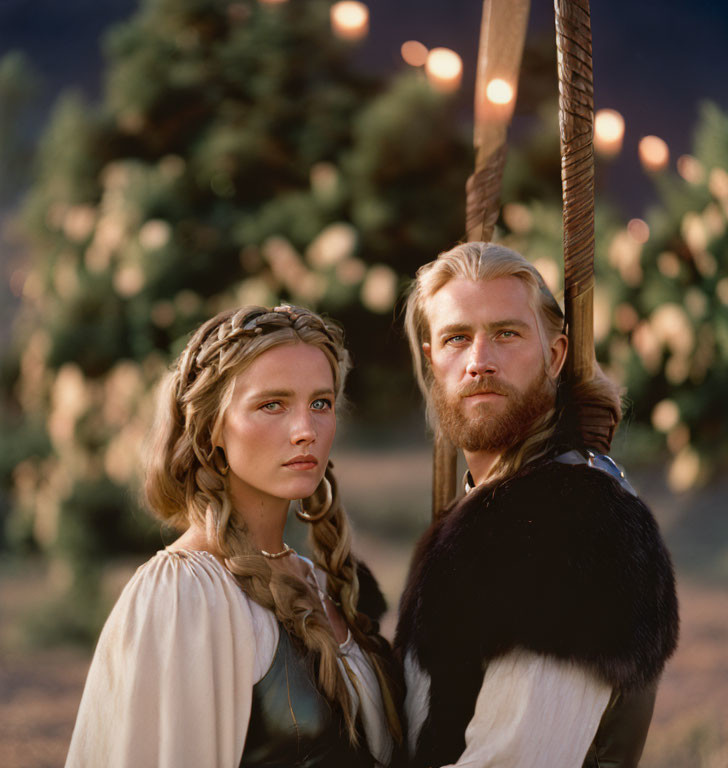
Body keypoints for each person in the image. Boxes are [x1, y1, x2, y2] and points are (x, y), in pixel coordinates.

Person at [66, 305, 401, 768]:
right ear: (212, 429)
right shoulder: (187, 593)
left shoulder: (319, 583)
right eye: (272, 405)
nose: (306, 430)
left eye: (320, 404)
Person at [395, 242, 679, 768]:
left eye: (507, 333)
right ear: (432, 359)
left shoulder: (574, 520)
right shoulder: (493, 510)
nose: (479, 362)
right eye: (457, 338)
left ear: (554, 355)